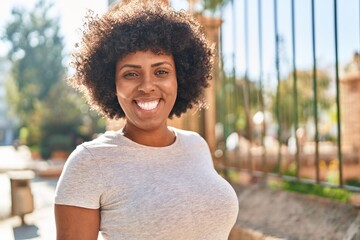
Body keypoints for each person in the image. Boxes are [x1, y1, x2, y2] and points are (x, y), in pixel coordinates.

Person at [54, 0, 239, 239]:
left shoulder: (197, 145)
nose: (147, 86)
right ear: (112, 85)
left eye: (161, 71)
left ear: (179, 78)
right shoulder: (90, 162)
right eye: (131, 74)